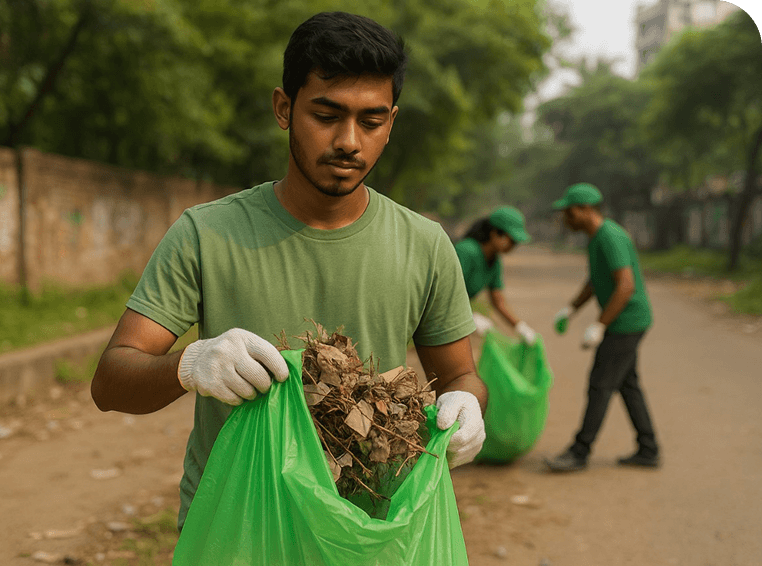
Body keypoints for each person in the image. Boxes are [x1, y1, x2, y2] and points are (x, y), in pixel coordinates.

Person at [91, 11, 489, 532]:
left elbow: (460, 374)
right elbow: (111, 381)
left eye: (370, 121)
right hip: (235, 529)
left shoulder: (425, 245)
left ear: (391, 123)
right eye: (326, 115)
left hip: (369, 533)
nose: (349, 141)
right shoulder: (206, 234)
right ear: (285, 108)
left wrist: (466, 404)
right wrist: (189, 365)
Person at [545, 183, 660, 472]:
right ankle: (648, 448)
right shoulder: (596, 238)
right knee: (627, 384)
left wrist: (599, 325)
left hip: (627, 322)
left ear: (586, 210)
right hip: (625, 322)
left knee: (600, 384)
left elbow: (625, 285)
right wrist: (571, 308)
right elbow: (597, 280)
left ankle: (579, 451)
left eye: (569, 213)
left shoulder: (610, 236)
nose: (566, 219)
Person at [455, 206, 537, 345]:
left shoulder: (494, 261)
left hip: (454, 318)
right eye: (511, 241)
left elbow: (498, 301)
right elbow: (445, 293)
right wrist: (470, 317)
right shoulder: (467, 251)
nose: (513, 246)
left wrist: (519, 326)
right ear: (494, 234)